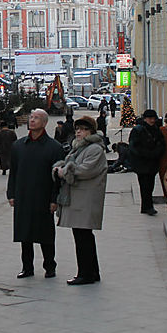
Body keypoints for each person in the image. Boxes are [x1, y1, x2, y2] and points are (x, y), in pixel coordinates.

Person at [7, 109, 65, 279]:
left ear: (45, 123)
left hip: (43, 196)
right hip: (23, 196)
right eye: (31, 117)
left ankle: (49, 266)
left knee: (45, 234)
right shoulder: (18, 146)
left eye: (36, 118)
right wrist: (11, 194)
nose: (32, 121)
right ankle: (27, 267)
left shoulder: (54, 147)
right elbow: (14, 172)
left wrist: (54, 199)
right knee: (25, 234)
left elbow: (57, 178)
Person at [53, 116, 107, 285]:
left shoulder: (94, 149)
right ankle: (92, 272)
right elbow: (72, 163)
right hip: (80, 198)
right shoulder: (80, 147)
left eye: (83, 129)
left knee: (83, 237)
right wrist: (61, 166)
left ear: (91, 132)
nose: (78, 132)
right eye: (77, 129)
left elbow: (85, 170)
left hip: (85, 199)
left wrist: (64, 171)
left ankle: (85, 274)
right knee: (83, 235)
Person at [128, 109, 166, 215]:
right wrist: (145, 154)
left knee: (150, 185)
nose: (152, 120)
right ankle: (147, 206)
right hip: (142, 163)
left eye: (153, 118)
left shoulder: (156, 129)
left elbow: (162, 143)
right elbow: (133, 147)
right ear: (145, 119)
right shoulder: (138, 130)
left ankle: (147, 206)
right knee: (144, 186)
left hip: (153, 163)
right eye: (150, 118)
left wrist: (156, 153)